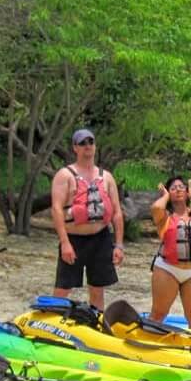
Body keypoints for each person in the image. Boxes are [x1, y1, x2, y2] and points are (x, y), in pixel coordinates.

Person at [49, 129, 124, 310]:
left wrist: (119, 245)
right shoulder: (65, 175)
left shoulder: (106, 177)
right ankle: (51, 320)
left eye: (90, 142)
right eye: (82, 143)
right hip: (74, 238)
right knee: (63, 288)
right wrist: (65, 243)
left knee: (97, 289)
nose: (87, 146)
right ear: (75, 148)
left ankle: (96, 323)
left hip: (100, 238)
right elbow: (57, 209)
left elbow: (116, 212)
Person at [148, 176, 191, 329]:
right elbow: (156, 208)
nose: (178, 189)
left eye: (181, 186)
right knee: (158, 314)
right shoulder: (164, 217)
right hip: (167, 268)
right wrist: (165, 196)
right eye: (173, 188)